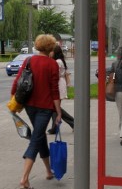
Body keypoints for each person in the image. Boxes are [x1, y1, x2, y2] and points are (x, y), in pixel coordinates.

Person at [11, 34, 62, 189]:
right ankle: (24, 178)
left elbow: (17, 81)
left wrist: (14, 101)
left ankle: (48, 171)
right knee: (36, 139)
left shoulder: (28, 60)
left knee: (39, 136)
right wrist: (58, 112)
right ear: (51, 48)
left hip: (29, 106)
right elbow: (55, 91)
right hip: (45, 108)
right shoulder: (53, 64)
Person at [48, 43, 74, 134]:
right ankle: (55, 127)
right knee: (55, 107)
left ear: (55, 52)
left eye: (51, 51)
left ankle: (73, 122)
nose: (50, 53)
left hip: (58, 84)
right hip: (60, 83)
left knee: (55, 107)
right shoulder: (59, 60)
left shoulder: (57, 62)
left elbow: (55, 75)